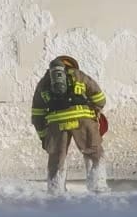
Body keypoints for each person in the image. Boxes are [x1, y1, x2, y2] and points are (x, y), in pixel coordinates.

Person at [30, 56, 108, 194]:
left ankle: (55, 190)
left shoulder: (44, 83)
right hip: (83, 120)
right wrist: (95, 109)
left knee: (56, 157)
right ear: (71, 65)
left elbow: (37, 114)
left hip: (56, 123)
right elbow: (100, 97)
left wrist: (43, 137)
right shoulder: (79, 75)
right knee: (93, 152)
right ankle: (98, 187)